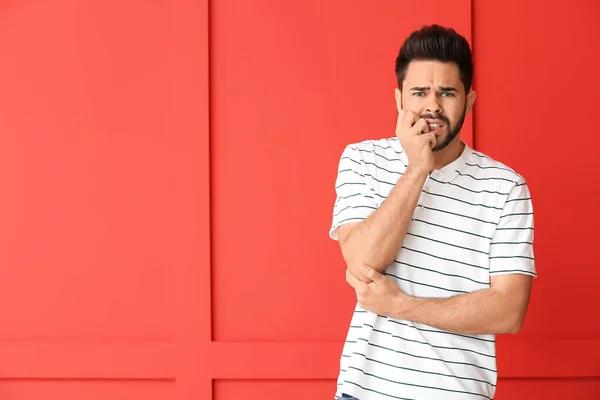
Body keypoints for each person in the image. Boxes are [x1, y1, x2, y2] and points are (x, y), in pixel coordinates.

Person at [328, 24, 536, 400]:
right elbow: (362, 260)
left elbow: (509, 310)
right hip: (366, 392)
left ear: (469, 101)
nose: (433, 106)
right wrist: (418, 168)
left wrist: (399, 305)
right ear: (399, 100)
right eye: (420, 92)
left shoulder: (506, 187)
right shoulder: (362, 160)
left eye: (447, 92)